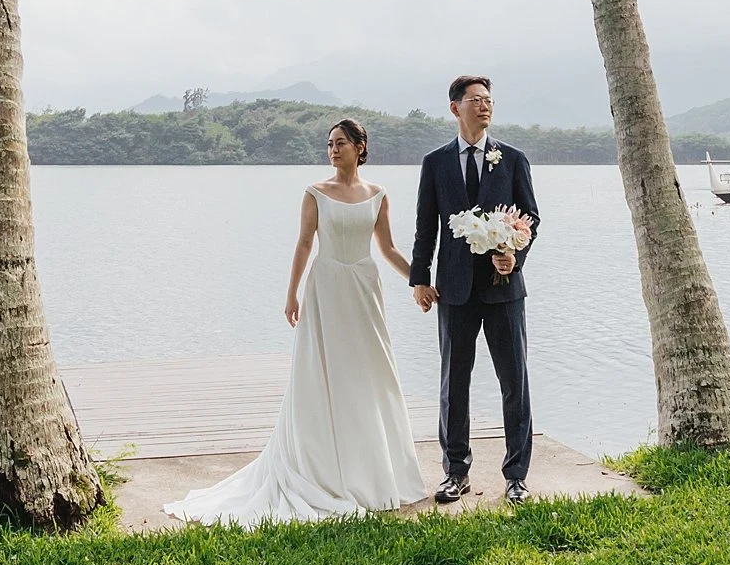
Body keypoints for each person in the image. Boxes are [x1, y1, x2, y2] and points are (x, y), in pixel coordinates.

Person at [162, 119, 425, 526]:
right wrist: (291, 294)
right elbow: (304, 244)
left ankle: (371, 470)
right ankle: (321, 467)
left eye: (341, 143)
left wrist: (419, 281)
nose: (333, 149)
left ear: (360, 147)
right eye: (329, 144)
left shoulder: (378, 194)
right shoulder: (315, 193)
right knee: (323, 371)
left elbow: (388, 248)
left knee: (371, 371)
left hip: (364, 289)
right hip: (326, 287)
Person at [410, 75, 541, 505]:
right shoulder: (435, 162)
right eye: (476, 100)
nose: (484, 106)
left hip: (505, 290)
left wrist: (514, 255)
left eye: (488, 100)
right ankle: (455, 471)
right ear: (455, 108)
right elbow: (426, 226)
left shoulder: (513, 159)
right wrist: (420, 279)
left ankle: (516, 476)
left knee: (514, 382)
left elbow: (531, 219)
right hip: (454, 290)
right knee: (454, 383)